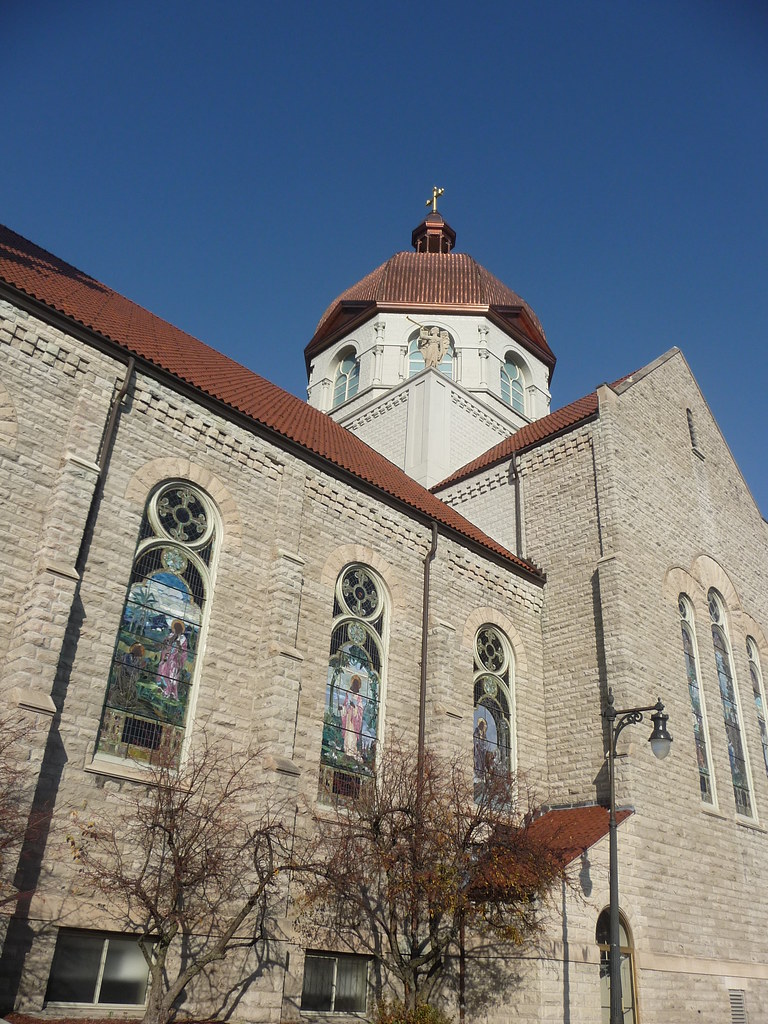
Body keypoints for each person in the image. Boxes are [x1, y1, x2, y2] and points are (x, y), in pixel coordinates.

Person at [157, 619, 187, 701]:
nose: (177, 629)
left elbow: (183, 652)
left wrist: (179, 645)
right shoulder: (171, 635)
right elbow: (165, 644)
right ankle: (163, 688)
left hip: (175, 661)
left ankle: (170, 692)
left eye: (178, 628)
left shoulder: (183, 639)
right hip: (167, 658)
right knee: (162, 670)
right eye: (176, 627)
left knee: (172, 676)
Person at [341, 675, 364, 760]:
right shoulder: (348, 693)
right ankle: (347, 751)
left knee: (352, 734)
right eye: (354, 683)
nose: (354, 685)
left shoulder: (359, 697)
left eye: (356, 683)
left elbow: (361, 709)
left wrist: (355, 707)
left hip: (354, 719)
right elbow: (345, 703)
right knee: (348, 733)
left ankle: (352, 751)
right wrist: (343, 708)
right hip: (348, 717)